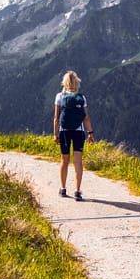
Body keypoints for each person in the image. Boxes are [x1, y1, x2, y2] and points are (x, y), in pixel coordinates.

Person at [53, 70, 94, 201]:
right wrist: (90, 133)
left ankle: (63, 189)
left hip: (64, 131)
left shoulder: (59, 96)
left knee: (64, 160)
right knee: (78, 161)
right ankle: (77, 191)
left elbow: (56, 117)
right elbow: (86, 117)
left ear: (64, 83)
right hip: (79, 131)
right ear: (77, 83)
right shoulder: (82, 98)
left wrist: (55, 134)